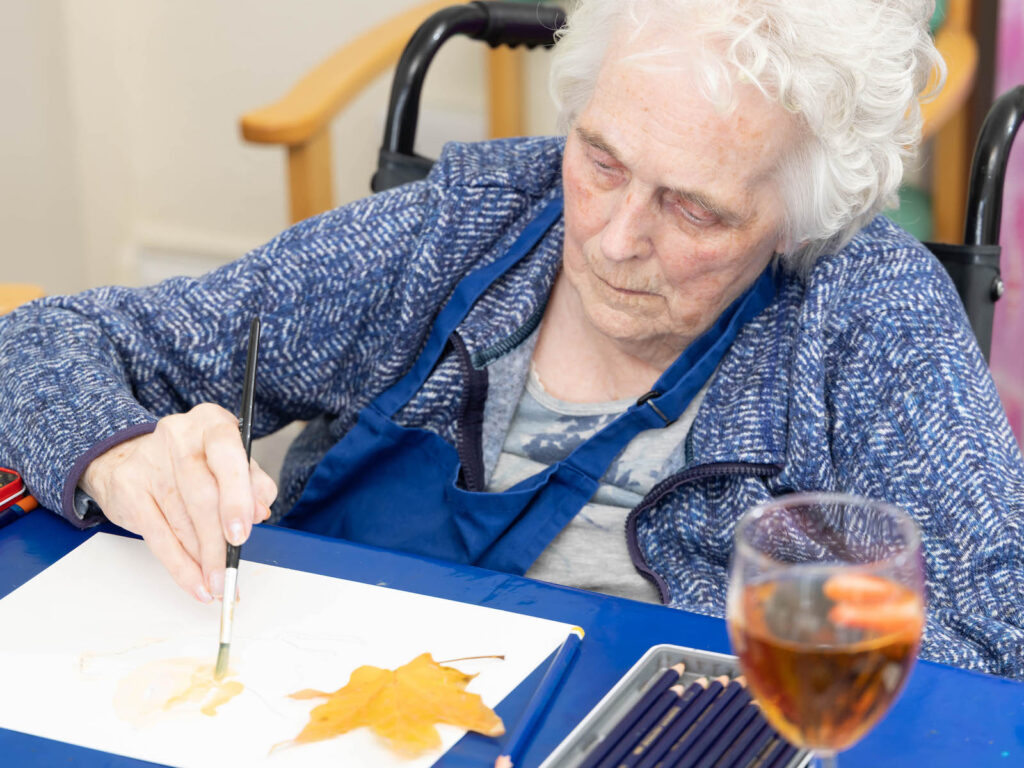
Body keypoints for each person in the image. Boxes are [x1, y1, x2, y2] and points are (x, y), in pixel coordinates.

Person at [1, 0, 1023, 680]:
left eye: (695, 210)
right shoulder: (466, 225)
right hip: (313, 702)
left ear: (797, 220)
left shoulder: (866, 313)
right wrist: (117, 452)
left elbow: (996, 633)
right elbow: (43, 344)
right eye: (602, 159)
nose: (614, 240)